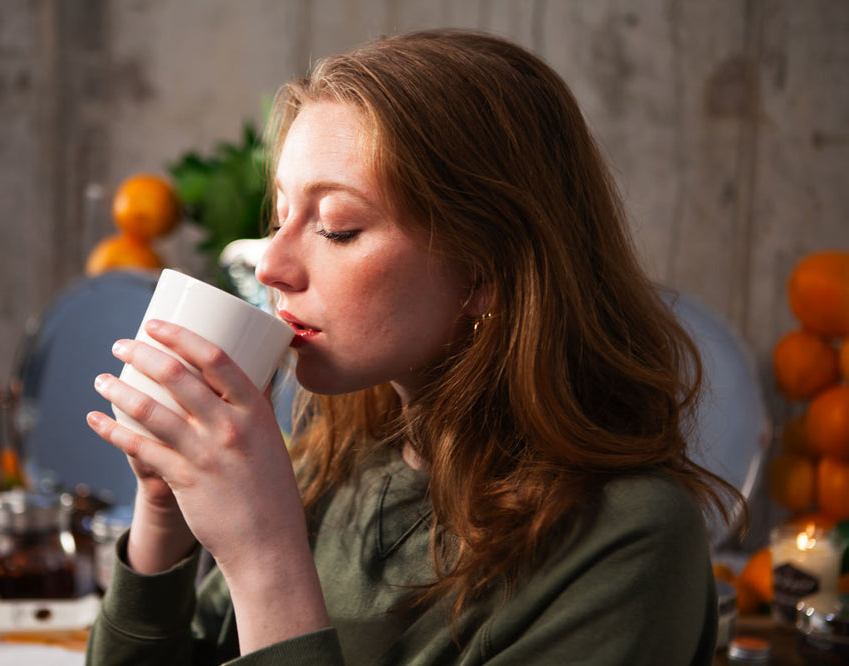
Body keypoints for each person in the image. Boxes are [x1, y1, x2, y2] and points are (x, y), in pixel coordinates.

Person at [84, 29, 738, 665]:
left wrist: (265, 560)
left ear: (484, 273)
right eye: (281, 217)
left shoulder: (632, 544)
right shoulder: (332, 467)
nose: (272, 266)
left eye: (337, 228)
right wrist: (162, 517)